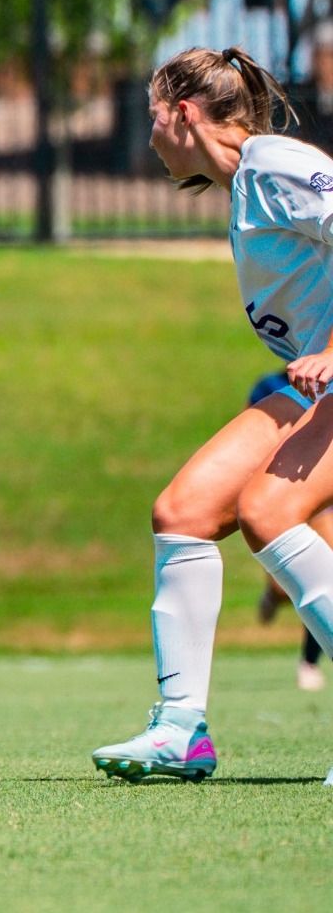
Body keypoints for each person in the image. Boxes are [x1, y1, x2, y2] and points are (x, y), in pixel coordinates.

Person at [91, 46, 333, 783]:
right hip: (313, 388)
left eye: (153, 117)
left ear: (183, 114)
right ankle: (179, 731)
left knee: (269, 510)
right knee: (185, 509)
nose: (151, 133)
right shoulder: (245, 186)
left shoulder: (273, 165)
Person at [248, 371, 327, 691]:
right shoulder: (268, 386)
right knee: (285, 589)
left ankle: (308, 661)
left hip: (321, 494)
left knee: (325, 571)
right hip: (282, 490)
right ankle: (273, 595)